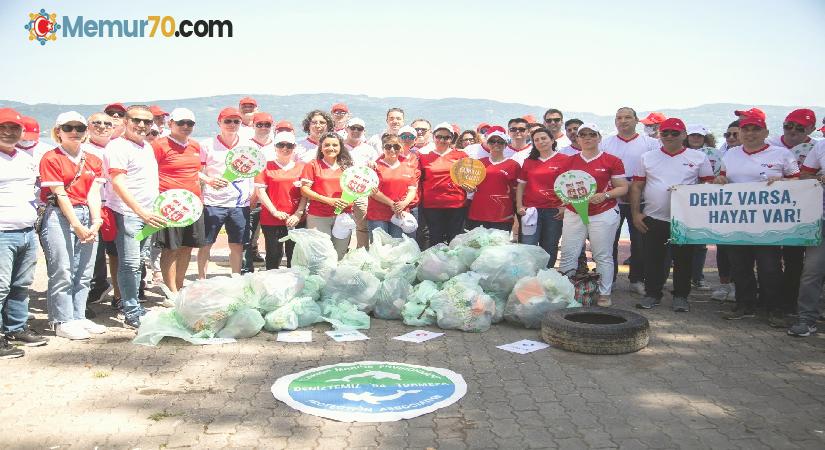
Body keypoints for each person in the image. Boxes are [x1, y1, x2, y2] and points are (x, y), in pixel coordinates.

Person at [716, 112, 799, 324]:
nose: (750, 133)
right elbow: (723, 178)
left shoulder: (782, 154)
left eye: (755, 129)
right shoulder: (730, 155)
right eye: (746, 129)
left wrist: (783, 182)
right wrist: (720, 180)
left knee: (769, 267)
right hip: (737, 222)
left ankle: (774, 308)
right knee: (739, 266)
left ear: (766, 133)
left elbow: (799, 184)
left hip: (769, 224)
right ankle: (745, 304)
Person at [631, 118, 714, 312]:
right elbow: (636, 186)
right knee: (653, 260)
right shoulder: (647, 157)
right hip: (654, 217)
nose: (669, 136)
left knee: (684, 260)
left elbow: (708, 186)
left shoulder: (698, 157)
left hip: (685, 219)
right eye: (665, 133)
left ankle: (681, 296)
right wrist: (636, 214)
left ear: (684, 135)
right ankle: (652, 294)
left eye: (674, 133)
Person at [39, 111, 107, 339]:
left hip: (86, 214)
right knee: (62, 270)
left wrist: (96, 221)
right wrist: (77, 225)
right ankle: (62, 320)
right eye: (68, 128)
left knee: (84, 270)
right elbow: (59, 195)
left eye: (79, 128)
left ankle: (78, 315)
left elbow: (94, 193)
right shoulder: (51, 158)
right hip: (59, 216)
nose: (74, 132)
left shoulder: (93, 160)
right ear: (58, 132)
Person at [104, 105, 164, 329]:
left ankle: (135, 306)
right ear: (126, 121)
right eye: (137, 120)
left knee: (138, 262)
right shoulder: (118, 146)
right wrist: (140, 211)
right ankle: (131, 312)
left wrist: (152, 211)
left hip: (148, 215)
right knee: (129, 264)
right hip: (129, 214)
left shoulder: (146, 146)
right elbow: (118, 183)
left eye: (147, 122)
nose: (142, 125)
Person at [557, 123, 628, 307]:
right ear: (577, 138)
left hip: (603, 212)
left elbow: (623, 187)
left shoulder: (612, 160)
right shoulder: (568, 161)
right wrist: (564, 201)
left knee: (602, 255)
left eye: (592, 134)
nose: (587, 137)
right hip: (575, 212)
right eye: (583, 134)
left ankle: (604, 293)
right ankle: (567, 290)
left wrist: (604, 195)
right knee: (568, 253)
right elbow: (562, 187)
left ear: (599, 137)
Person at [0, 108, 48, 357]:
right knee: (0, 287)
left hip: (26, 231)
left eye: (14, 128)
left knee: (20, 284)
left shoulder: (24, 158)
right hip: (2, 232)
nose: (8, 133)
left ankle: (16, 328)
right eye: (3, 128)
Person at [601, 107, 659, 295]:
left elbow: (656, 169)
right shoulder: (606, 143)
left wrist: (633, 188)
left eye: (627, 117)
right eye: (619, 117)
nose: (623, 121)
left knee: (640, 243)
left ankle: (636, 279)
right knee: (610, 242)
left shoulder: (650, 143)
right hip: (612, 201)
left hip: (641, 201)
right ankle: (611, 279)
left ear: (636, 120)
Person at [767, 109, 818, 314]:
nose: (793, 131)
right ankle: (769, 299)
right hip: (768, 212)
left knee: (794, 260)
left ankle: (788, 301)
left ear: (812, 129)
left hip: (801, 213)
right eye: (789, 126)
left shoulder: (816, 146)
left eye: (800, 128)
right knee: (768, 261)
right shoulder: (770, 143)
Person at [151, 108, 205, 299]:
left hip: (192, 205)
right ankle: (170, 291)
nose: (185, 127)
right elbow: (149, 173)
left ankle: (179, 288)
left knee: (186, 247)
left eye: (189, 124)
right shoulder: (158, 145)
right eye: (180, 123)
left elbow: (194, 172)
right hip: (170, 206)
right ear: (170, 123)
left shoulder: (196, 146)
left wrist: (208, 180)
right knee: (170, 249)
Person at [197, 107, 253, 278]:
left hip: (239, 204)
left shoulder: (248, 145)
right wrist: (209, 181)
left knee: (237, 245)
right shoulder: (206, 145)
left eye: (236, 121)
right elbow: (196, 170)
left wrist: (252, 195)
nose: (232, 125)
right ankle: (201, 279)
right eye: (227, 121)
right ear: (219, 123)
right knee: (205, 244)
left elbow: (254, 172)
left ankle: (236, 278)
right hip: (213, 203)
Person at [515, 127, 569, 266]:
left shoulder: (565, 160)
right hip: (531, 211)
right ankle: (528, 279)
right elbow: (521, 185)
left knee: (550, 246)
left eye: (544, 138)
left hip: (554, 211)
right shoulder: (529, 162)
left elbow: (570, 185)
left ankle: (547, 278)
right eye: (536, 140)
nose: (540, 142)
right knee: (528, 246)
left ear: (552, 140)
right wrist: (519, 206)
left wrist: (565, 206)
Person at [787, 138, 825, 336]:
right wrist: (819, 178)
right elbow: (806, 175)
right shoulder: (821, 146)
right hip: (821, 219)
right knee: (812, 270)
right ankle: (807, 319)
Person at [255, 131, 307, 269]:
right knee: (273, 254)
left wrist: (298, 213)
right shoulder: (265, 166)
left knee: (295, 255)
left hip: (296, 219)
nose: (285, 148)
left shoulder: (302, 167)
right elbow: (260, 191)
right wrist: (274, 211)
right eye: (281, 145)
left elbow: (305, 193)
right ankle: (272, 286)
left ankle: (296, 286)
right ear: (275, 147)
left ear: (294, 147)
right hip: (271, 219)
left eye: (289, 145)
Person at [83, 112, 120, 305]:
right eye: (97, 123)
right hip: (92, 206)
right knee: (92, 254)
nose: (103, 127)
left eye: (108, 124)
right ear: (88, 126)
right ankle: (96, 286)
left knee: (117, 253)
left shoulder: (119, 147)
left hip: (116, 206)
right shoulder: (82, 149)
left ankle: (120, 294)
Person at [300, 132, 354, 260]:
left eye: (335, 145)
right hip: (318, 216)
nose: (331, 148)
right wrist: (328, 200)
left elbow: (355, 190)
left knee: (339, 254)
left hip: (343, 216)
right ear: (321, 147)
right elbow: (304, 190)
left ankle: (335, 279)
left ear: (341, 147)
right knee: (321, 254)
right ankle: (320, 280)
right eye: (327, 145)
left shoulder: (348, 167)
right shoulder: (312, 165)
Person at [682, 125, 719, 292]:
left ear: (705, 138)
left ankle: (697, 277)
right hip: (682, 202)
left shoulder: (714, 154)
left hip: (703, 203)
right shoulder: (681, 152)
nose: (695, 138)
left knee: (699, 243)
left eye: (699, 136)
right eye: (692, 135)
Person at [418, 122, 468, 246]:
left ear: (452, 139)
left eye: (446, 137)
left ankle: (454, 266)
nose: (442, 140)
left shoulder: (461, 155)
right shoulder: (423, 156)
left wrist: (470, 186)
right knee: (435, 239)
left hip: (456, 204)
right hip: (432, 205)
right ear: (433, 137)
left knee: (455, 240)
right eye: (439, 136)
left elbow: (468, 178)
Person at [241, 112, 276, 274]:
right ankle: (246, 270)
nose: (263, 127)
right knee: (246, 237)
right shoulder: (244, 144)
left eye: (267, 124)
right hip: (249, 198)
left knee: (273, 238)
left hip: (272, 199)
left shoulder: (278, 146)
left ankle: (273, 269)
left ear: (272, 126)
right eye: (259, 124)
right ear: (253, 125)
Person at [367, 134, 420, 239]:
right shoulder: (374, 167)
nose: (392, 150)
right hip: (378, 214)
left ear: (400, 148)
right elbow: (372, 191)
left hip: (400, 214)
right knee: (380, 249)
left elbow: (412, 190)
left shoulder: (408, 166)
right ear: (382, 148)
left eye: (396, 147)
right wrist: (392, 204)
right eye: (388, 146)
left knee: (398, 248)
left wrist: (404, 204)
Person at [710, 120, 741, 302]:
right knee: (723, 249)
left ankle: (739, 285)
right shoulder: (722, 154)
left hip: (746, 211)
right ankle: (725, 284)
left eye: (735, 134)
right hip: (725, 209)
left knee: (741, 251)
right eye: (727, 134)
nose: (730, 138)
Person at [468, 127, 521, 232]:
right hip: (478, 213)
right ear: (488, 144)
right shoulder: (478, 163)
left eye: (500, 142)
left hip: (502, 215)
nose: (496, 144)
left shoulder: (513, 165)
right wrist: (467, 187)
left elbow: (517, 191)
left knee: (499, 247)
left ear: (506, 144)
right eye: (492, 141)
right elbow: (469, 185)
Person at [343, 117, 377, 248]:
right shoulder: (339, 146)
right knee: (340, 222)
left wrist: (373, 165)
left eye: (359, 129)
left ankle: (362, 251)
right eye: (353, 128)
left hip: (362, 191)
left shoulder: (369, 150)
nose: (356, 131)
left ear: (364, 131)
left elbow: (376, 169)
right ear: (347, 129)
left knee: (362, 225)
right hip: (342, 190)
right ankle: (340, 251)